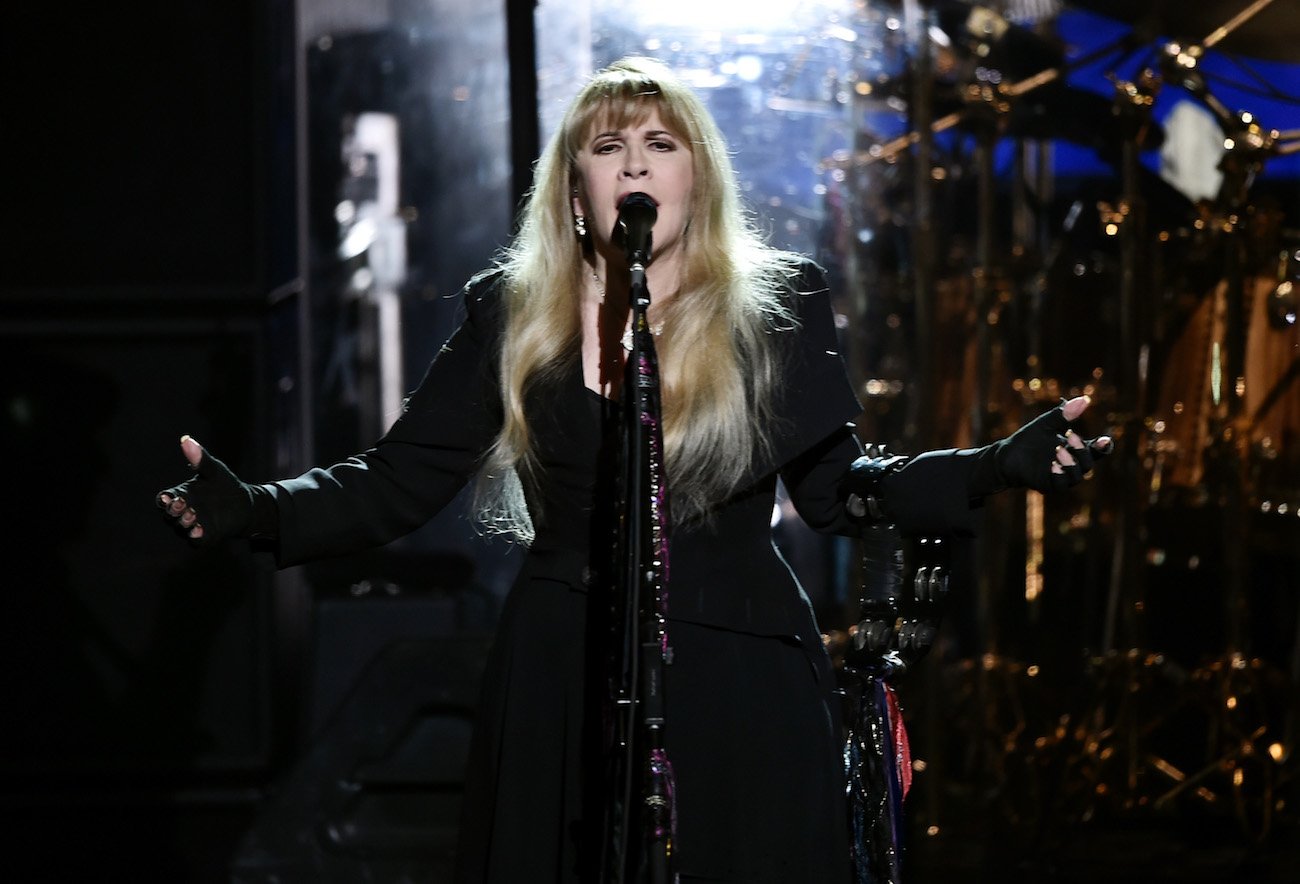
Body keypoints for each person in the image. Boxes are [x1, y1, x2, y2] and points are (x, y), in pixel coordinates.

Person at [157, 56, 1110, 883]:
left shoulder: (775, 308)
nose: (637, 165)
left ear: (699, 176)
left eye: (661, 144)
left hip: (739, 669)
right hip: (563, 666)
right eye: (609, 148)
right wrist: (253, 509)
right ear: (574, 186)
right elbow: (397, 477)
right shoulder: (513, 311)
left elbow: (842, 492)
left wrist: (991, 467)